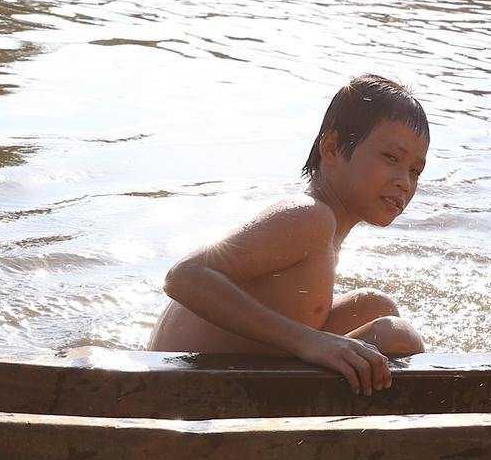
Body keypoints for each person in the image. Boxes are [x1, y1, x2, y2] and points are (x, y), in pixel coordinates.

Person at [148, 75, 430, 397]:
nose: (404, 182)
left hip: (214, 389)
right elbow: (183, 277)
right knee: (397, 335)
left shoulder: (323, 229)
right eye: (392, 158)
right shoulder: (309, 216)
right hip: (174, 399)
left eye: (415, 170)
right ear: (332, 148)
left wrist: (316, 343)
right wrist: (309, 342)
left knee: (374, 307)